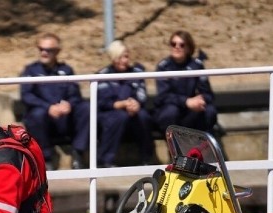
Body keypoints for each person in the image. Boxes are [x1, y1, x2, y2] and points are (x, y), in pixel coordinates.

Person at [19, 32, 90, 169]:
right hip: (44, 121)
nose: (44, 53)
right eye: (41, 49)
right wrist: (48, 107)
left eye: (48, 50)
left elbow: (75, 95)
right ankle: (46, 159)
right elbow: (27, 96)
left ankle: (78, 154)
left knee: (86, 108)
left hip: (65, 119)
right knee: (36, 114)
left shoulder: (66, 70)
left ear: (57, 51)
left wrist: (69, 104)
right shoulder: (31, 70)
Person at [96, 40, 156, 168]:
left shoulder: (136, 72)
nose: (124, 60)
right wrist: (122, 104)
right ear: (113, 58)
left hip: (133, 111)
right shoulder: (103, 75)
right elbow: (102, 102)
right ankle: (105, 160)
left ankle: (147, 158)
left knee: (143, 116)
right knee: (118, 117)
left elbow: (142, 95)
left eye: (126, 56)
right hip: (111, 113)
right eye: (120, 57)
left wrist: (136, 104)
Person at [153, 30, 218, 135]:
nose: (177, 47)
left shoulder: (196, 66)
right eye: (173, 44)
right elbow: (163, 97)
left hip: (191, 111)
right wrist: (186, 102)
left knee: (209, 111)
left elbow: (208, 94)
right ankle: (174, 147)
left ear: (188, 48)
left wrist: (200, 100)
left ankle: (202, 146)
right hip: (171, 111)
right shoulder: (163, 67)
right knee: (170, 111)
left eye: (182, 45)